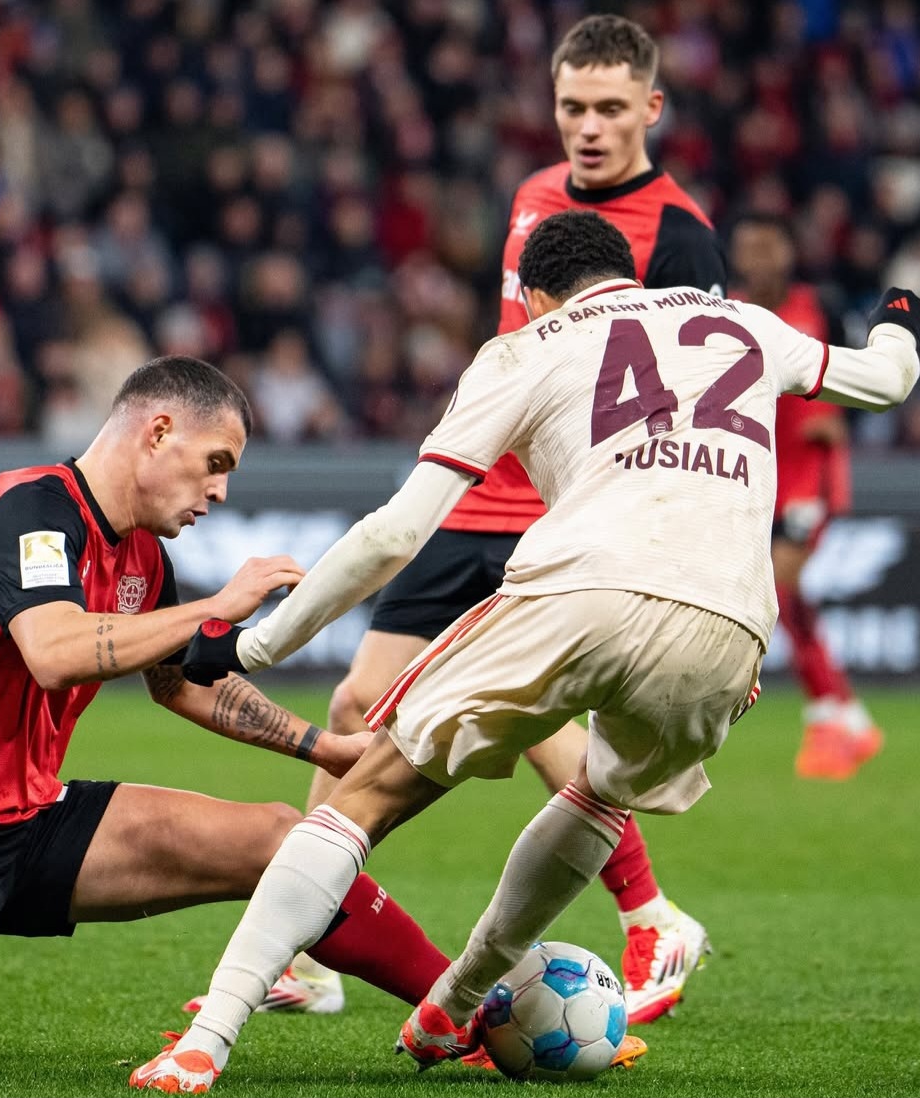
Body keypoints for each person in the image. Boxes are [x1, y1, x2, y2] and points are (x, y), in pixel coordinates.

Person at [129, 211, 920, 1092]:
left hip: (584, 588)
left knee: (367, 795)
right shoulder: (741, 320)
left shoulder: (527, 345)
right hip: (733, 629)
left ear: (532, 294)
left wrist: (252, 646)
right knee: (601, 795)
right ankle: (456, 1000)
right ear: (628, 271)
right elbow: (888, 379)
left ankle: (206, 1039)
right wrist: (903, 313)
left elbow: (394, 534)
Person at [0, 354, 477, 1073]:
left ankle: (459, 1015)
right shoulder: (29, 508)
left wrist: (328, 748)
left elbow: (182, 684)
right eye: (216, 463)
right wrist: (216, 606)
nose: (219, 491)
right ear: (158, 432)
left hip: (24, 815)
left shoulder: (144, 557)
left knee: (280, 839)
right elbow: (55, 650)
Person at [296, 12, 725, 1027]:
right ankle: (310, 954)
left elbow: (694, 404)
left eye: (611, 107)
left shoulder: (681, 234)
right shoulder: (534, 197)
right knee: (358, 702)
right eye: (574, 105)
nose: (589, 126)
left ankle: (651, 914)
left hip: (560, 511)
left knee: (530, 722)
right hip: (473, 494)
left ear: (652, 108)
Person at [729, 212, 883, 780]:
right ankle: (853, 719)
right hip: (755, 479)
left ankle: (826, 721)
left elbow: (870, 374)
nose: (759, 258)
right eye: (749, 247)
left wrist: (841, 418)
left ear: (789, 252)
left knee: (782, 590)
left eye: (768, 246)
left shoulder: (821, 308)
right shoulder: (729, 312)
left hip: (809, 479)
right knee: (789, 604)